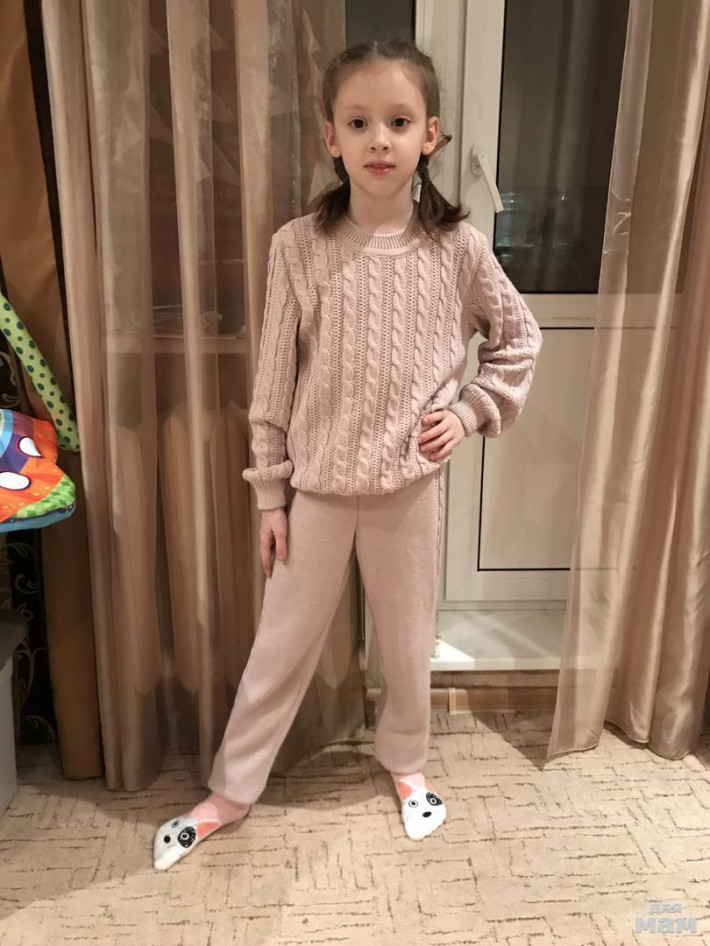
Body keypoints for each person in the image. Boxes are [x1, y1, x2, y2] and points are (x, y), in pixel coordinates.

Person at [153, 37, 543, 871]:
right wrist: (270, 496)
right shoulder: (297, 246)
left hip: (409, 490)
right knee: (280, 646)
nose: (379, 140)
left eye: (398, 122)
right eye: (359, 122)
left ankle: (406, 762)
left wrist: (470, 412)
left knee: (405, 644)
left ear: (430, 135)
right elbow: (273, 385)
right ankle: (232, 788)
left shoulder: (459, 249)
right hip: (319, 493)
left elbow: (518, 339)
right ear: (330, 136)